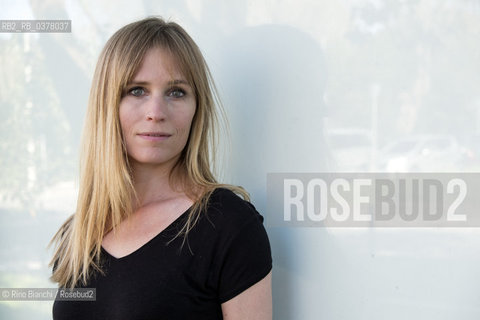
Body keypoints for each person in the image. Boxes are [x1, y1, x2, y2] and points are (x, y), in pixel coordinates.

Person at [49, 17, 272, 319]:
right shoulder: (81, 231)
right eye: (137, 91)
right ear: (107, 105)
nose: (156, 113)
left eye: (176, 92)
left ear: (197, 108)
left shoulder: (229, 226)